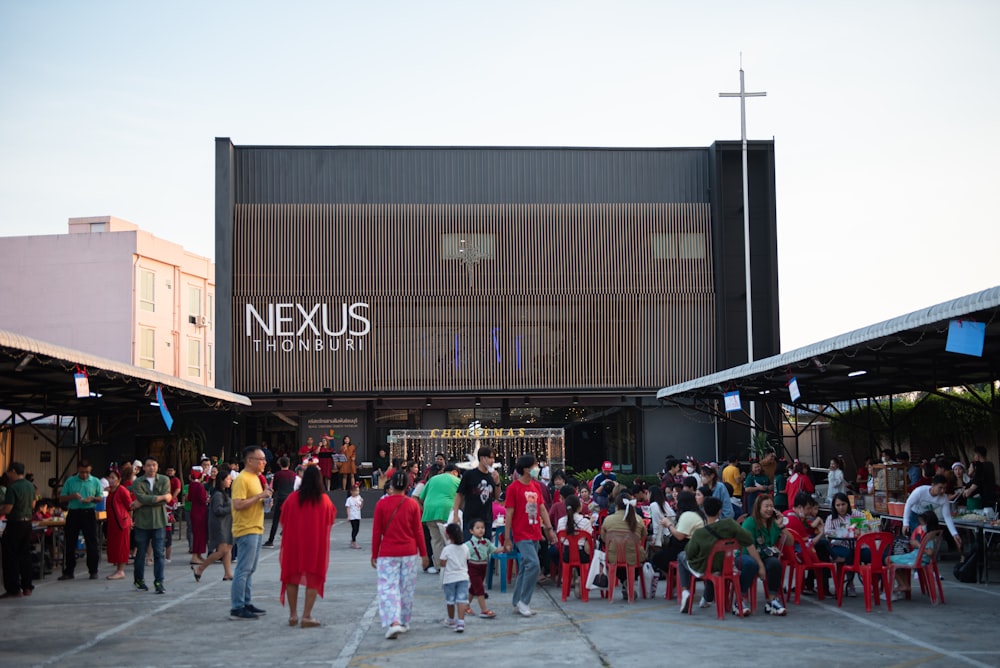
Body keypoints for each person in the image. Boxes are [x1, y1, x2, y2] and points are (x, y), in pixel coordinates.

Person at [677, 496, 760, 616]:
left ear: (704, 511)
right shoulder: (730, 525)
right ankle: (706, 598)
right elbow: (748, 538)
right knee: (714, 563)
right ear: (720, 510)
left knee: (681, 556)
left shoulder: (700, 533)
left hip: (705, 567)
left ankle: (685, 591)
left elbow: (690, 553)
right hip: (726, 566)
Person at [372, 470, 429, 639]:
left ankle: (394, 621)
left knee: (388, 587)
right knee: (406, 588)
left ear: (391, 485)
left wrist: (374, 554)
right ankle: (404, 620)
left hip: (387, 553)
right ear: (407, 485)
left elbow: (377, 532)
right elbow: (418, 531)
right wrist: (424, 554)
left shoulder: (381, 504)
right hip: (409, 552)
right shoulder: (412, 504)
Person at [280, 466, 336, 628]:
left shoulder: (292, 498)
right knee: (313, 577)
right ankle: (306, 616)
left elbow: (283, 519)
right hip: (315, 544)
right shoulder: (324, 500)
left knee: (291, 576)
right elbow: (330, 520)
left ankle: (292, 615)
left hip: (293, 544)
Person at [504, 454, 557, 617]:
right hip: (521, 533)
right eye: (534, 466)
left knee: (526, 566)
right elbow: (509, 513)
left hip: (535, 531)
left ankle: (517, 601)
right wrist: (507, 538)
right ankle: (524, 602)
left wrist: (549, 529)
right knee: (533, 565)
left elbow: (542, 509)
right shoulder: (514, 488)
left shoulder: (536, 486)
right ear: (526, 469)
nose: (537, 469)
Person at [230, 446, 273, 620]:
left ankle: (246, 602)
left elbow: (256, 501)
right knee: (243, 569)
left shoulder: (256, 478)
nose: (264, 462)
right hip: (246, 528)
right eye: (260, 459)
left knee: (250, 569)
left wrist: (265, 499)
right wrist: (259, 496)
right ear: (249, 461)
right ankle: (237, 606)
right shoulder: (242, 479)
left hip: (256, 526)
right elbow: (238, 504)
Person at [740, 495, 788, 615]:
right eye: (766, 506)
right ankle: (740, 600)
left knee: (775, 563)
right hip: (745, 556)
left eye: (771, 506)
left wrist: (781, 525)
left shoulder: (772, 524)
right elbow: (749, 546)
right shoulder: (750, 522)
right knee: (751, 565)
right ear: (758, 508)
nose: (769, 509)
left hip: (763, 556)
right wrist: (761, 566)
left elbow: (790, 541)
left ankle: (772, 601)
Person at [131, 457, 172, 594]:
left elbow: (143, 500)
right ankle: (139, 580)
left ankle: (159, 582)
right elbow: (142, 497)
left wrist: (143, 501)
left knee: (159, 553)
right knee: (141, 553)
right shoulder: (138, 482)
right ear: (144, 467)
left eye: (154, 465)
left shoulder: (164, 480)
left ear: (157, 466)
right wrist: (162, 498)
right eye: (148, 465)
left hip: (159, 522)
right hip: (142, 522)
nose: (151, 468)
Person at [58, 459, 104, 580]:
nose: (84, 475)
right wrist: (72, 496)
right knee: (70, 541)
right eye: (82, 472)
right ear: (78, 470)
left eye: (87, 472)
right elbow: (62, 498)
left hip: (88, 512)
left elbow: (100, 497)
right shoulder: (71, 481)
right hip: (74, 512)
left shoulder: (95, 481)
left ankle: (93, 570)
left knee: (92, 541)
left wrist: (92, 499)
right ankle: (69, 570)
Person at [783, 492, 833, 596]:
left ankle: (809, 583)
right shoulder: (796, 522)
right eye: (808, 508)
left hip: (786, 553)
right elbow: (808, 544)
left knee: (821, 547)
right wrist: (822, 533)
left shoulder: (785, 514)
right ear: (800, 507)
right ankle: (823, 587)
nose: (810, 511)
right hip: (796, 555)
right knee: (822, 548)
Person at [599, 491, 647, 599]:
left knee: (616, 561)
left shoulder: (608, 520)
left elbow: (603, 538)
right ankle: (629, 582)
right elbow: (643, 536)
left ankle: (624, 581)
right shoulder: (638, 519)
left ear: (616, 506)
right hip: (635, 557)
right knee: (635, 559)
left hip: (613, 557)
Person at [888, 509, 941, 600]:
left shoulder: (929, 536)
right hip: (918, 556)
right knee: (898, 561)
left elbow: (930, 552)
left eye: (922, 524)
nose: (921, 526)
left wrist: (918, 545)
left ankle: (903, 585)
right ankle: (904, 584)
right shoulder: (933, 534)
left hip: (919, 558)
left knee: (888, 559)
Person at [1, 462, 36, 598]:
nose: (8, 475)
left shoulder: (12, 487)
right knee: (25, 555)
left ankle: (14, 589)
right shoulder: (30, 486)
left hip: (15, 523)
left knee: (10, 557)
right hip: (27, 523)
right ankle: (27, 586)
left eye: (9, 472)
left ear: (14, 472)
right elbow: (33, 504)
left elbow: (8, 508)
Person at [902, 475, 962, 552]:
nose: (943, 491)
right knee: (917, 538)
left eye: (944, 488)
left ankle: (926, 558)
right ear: (933, 485)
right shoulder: (920, 491)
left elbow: (947, 517)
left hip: (927, 517)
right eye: (940, 488)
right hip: (915, 514)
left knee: (928, 539)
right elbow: (908, 504)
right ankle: (916, 557)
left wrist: (954, 534)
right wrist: (905, 523)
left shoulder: (944, 498)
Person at [419, 463, 462, 569]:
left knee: (435, 540)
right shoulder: (457, 480)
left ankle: (439, 566)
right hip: (446, 511)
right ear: (455, 473)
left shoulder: (432, 479)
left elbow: (421, 498)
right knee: (449, 539)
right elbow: (464, 496)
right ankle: (450, 564)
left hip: (430, 512)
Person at [194, 472, 234, 581]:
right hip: (219, 526)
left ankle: (228, 573)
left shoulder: (225, 493)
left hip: (227, 524)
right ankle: (200, 569)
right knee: (221, 550)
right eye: (228, 479)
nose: (230, 481)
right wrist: (231, 509)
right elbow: (217, 510)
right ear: (221, 480)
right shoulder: (218, 495)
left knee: (228, 549)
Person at [439, 523, 471, 633]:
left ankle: (451, 620)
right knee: (462, 599)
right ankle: (461, 622)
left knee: (450, 600)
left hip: (450, 578)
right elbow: (467, 559)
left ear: (448, 535)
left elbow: (442, 563)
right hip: (463, 577)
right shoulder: (465, 547)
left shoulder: (447, 549)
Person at [464, 518, 497, 618]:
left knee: (474, 588)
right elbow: (462, 554)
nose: (481, 530)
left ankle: (466, 606)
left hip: (483, 567)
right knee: (480, 589)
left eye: (482, 527)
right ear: (471, 531)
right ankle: (484, 610)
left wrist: (504, 548)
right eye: (477, 528)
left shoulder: (486, 542)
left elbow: (494, 550)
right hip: (473, 567)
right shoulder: (468, 544)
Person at [104, 468, 133, 581]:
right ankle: (118, 569)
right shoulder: (111, 491)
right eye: (109, 478)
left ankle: (121, 570)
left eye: (113, 478)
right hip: (113, 523)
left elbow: (130, 506)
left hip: (122, 523)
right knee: (115, 545)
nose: (110, 480)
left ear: (119, 479)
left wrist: (129, 521)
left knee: (121, 546)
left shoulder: (122, 490)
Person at [264, 456, 296, 548]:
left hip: (281, 498)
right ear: (289, 464)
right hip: (290, 499)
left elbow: (275, 488)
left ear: (280, 464)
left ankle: (271, 540)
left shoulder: (277, 475)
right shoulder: (293, 475)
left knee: (276, 520)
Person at [187, 467, 208, 565]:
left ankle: (198, 555)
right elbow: (202, 499)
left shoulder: (192, 485)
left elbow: (190, 498)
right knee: (199, 534)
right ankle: (195, 556)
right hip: (200, 512)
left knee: (197, 534)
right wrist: (207, 499)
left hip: (194, 511)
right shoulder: (199, 486)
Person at [964, 446, 997, 510]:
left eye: (974, 455)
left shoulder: (980, 465)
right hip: (991, 496)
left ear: (977, 455)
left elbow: (977, 479)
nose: (974, 457)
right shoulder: (990, 464)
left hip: (984, 498)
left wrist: (970, 489)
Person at [346, 483, 364, 549]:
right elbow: (348, 508)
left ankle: (353, 539)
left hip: (357, 515)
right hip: (352, 516)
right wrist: (348, 516)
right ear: (351, 492)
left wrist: (362, 502)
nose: (357, 492)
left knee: (357, 529)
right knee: (354, 529)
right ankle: (354, 541)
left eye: (358, 491)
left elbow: (360, 507)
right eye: (356, 491)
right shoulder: (349, 499)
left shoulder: (359, 497)